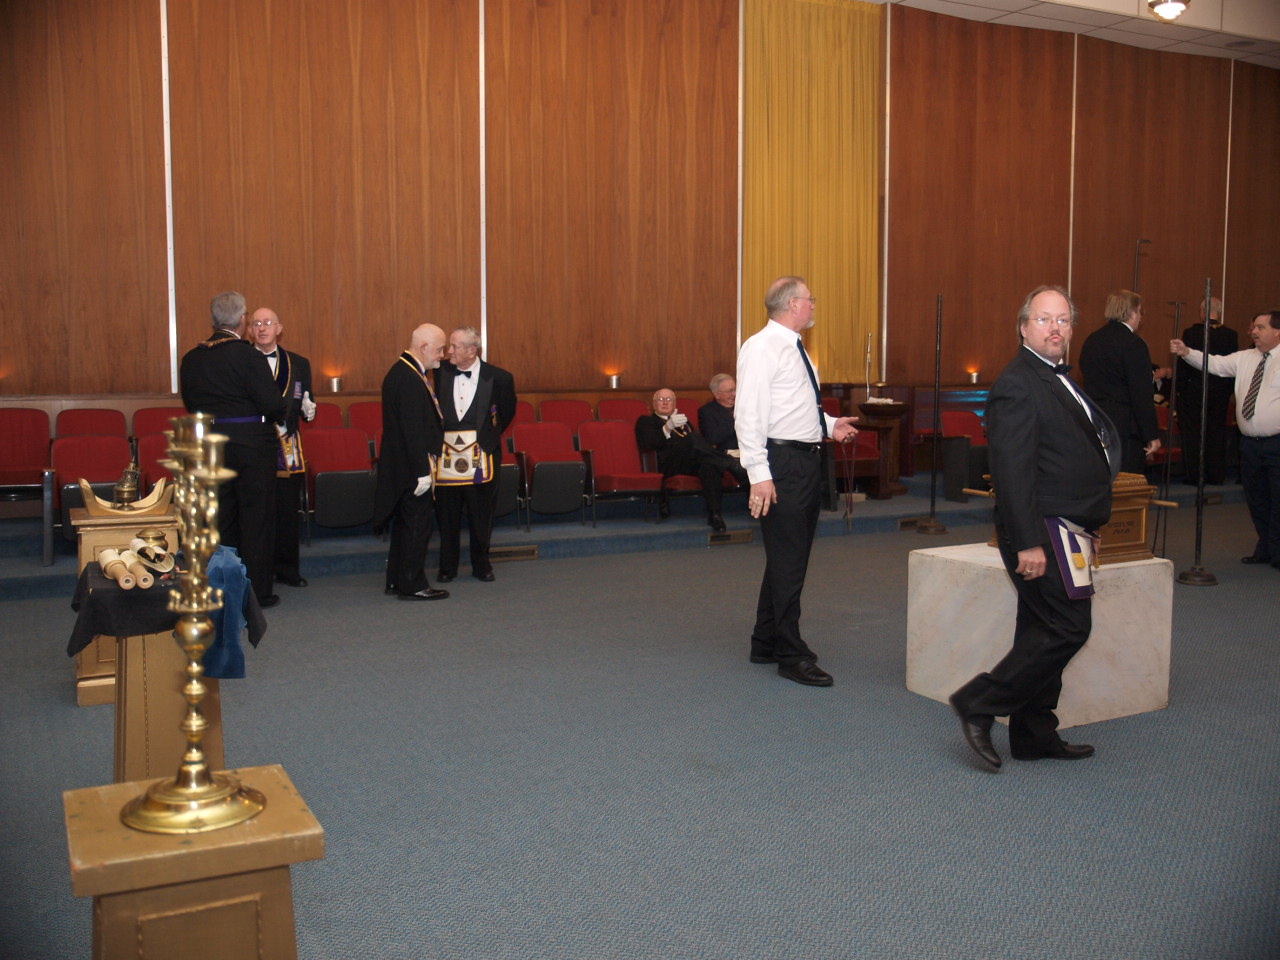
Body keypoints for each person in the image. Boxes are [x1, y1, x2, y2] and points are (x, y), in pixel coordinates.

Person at [949, 285, 1118, 771]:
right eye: (1044, 320)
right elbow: (1013, 470)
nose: (1055, 328)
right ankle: (979, 702)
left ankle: (1034, 733)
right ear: (1023, 326)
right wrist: (1027, 542)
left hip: (1070, 524)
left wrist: (1087, 519)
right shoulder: (1017, 383)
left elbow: (1070, 455)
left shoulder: (1060, 378)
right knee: (1068, 627)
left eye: (1063, 320)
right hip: (1041, 530)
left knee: (1040, 629)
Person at [735, 276, 858, 687]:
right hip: (782, 463)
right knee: (790, 559)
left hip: (803, 461)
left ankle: (764, 640)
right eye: (810, 300)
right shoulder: (762, 348)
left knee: (789, 555)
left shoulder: (795, 348)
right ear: (792, 304)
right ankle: (790, 652)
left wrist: (829, 424)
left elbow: (796, 406)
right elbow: (749, 414)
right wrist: (759, 475)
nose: (814, 306)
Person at [179, 291, 287, 608]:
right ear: (242, 321)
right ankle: (255, 591)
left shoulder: (192, 358)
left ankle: (221, 585)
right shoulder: (248, 356)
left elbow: (191, 404)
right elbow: (273, 404)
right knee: (256, 518)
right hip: (251, 446)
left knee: (219, 519)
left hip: (209, 444)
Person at [1172, 309, 1280, 568]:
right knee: (1256, 498)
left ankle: (1277, 550)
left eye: (1261, 327)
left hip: (1277, 444)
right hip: (1250, 445)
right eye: (1254, 327)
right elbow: (1215, 364)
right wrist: (1187, 353)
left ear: (1277, 331)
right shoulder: (1245, 358)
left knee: (1278, 499)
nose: (1254, 331)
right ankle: (1265, 547)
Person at [433, 327, 517, 583]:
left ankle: (482, 565)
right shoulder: (440, 372)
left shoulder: (500, 377)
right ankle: (447, 567)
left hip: (482, 457)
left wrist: (486, 440)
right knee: (446, 514)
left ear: (472, 350)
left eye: (455, 346)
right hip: (447, 457)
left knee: (482, 514)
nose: (449, 351)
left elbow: (506, 413)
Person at [373, 324, 450, 601]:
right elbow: (412, 430)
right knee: (417, 525)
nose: (442, 355)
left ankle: (397, 579)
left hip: (405, 464)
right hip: (411, 467)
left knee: (406, 526)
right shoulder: (407, 377)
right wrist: (422, 472)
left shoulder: (406, 371)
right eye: (439, 349)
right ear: (424, 347)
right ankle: (413, 584)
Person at [249, 307, 316, 589]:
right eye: (256, 324)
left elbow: (307, 398)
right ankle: (257, 573)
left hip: (287, 447)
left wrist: (309, 408)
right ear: (250, 330)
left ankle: (288, 569)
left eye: (267, 323)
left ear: (279, 328)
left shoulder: (298, 363)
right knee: (256, 512)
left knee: (288, 511)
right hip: (254, 445)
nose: (262, 328)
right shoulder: (243, 360)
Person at [635, 388, 748, 533]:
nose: (665, 402)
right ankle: (731, 463)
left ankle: (715, 514)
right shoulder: (646, 421)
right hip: (667, 464)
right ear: (654, 404)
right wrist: (667, 428)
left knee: (709, 465)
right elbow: (649, 444)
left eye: (669, 399)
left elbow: (700, 448)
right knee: (692, 439)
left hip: (689, 463)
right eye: (660, 399)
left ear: (675, 403)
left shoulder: (683, 421)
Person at [1078, 289, 1161, 474]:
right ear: (1132, 312)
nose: (1141, 317)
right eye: (1140, 312)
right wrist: (1151, 434)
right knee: (1126, 484)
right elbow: (1141, 393)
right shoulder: (1134, 344)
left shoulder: (1092, 340)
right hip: (1125, 426)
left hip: (1095, 420)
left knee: (1101, 479)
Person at [1174, 297, 1240, 486]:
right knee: (1217, 432)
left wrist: (1179, 389)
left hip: (1194, 393)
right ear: (1219, 313)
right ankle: (1216, 474)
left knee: (1194, 434)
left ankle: (1195, 475)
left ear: (1202, 312)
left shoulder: (1191, 334)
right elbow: (1232, 367)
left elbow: (1183, 364)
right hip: (1220, 394)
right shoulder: (1230, 335)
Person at [698, 373, 739, 454]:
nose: (734, 394)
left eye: (735, 389)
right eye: (729, 391)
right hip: (724, 456)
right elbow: (712, 437)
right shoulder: (706, 411)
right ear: (717, 394)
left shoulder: (743, 407)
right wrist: (738, 422)